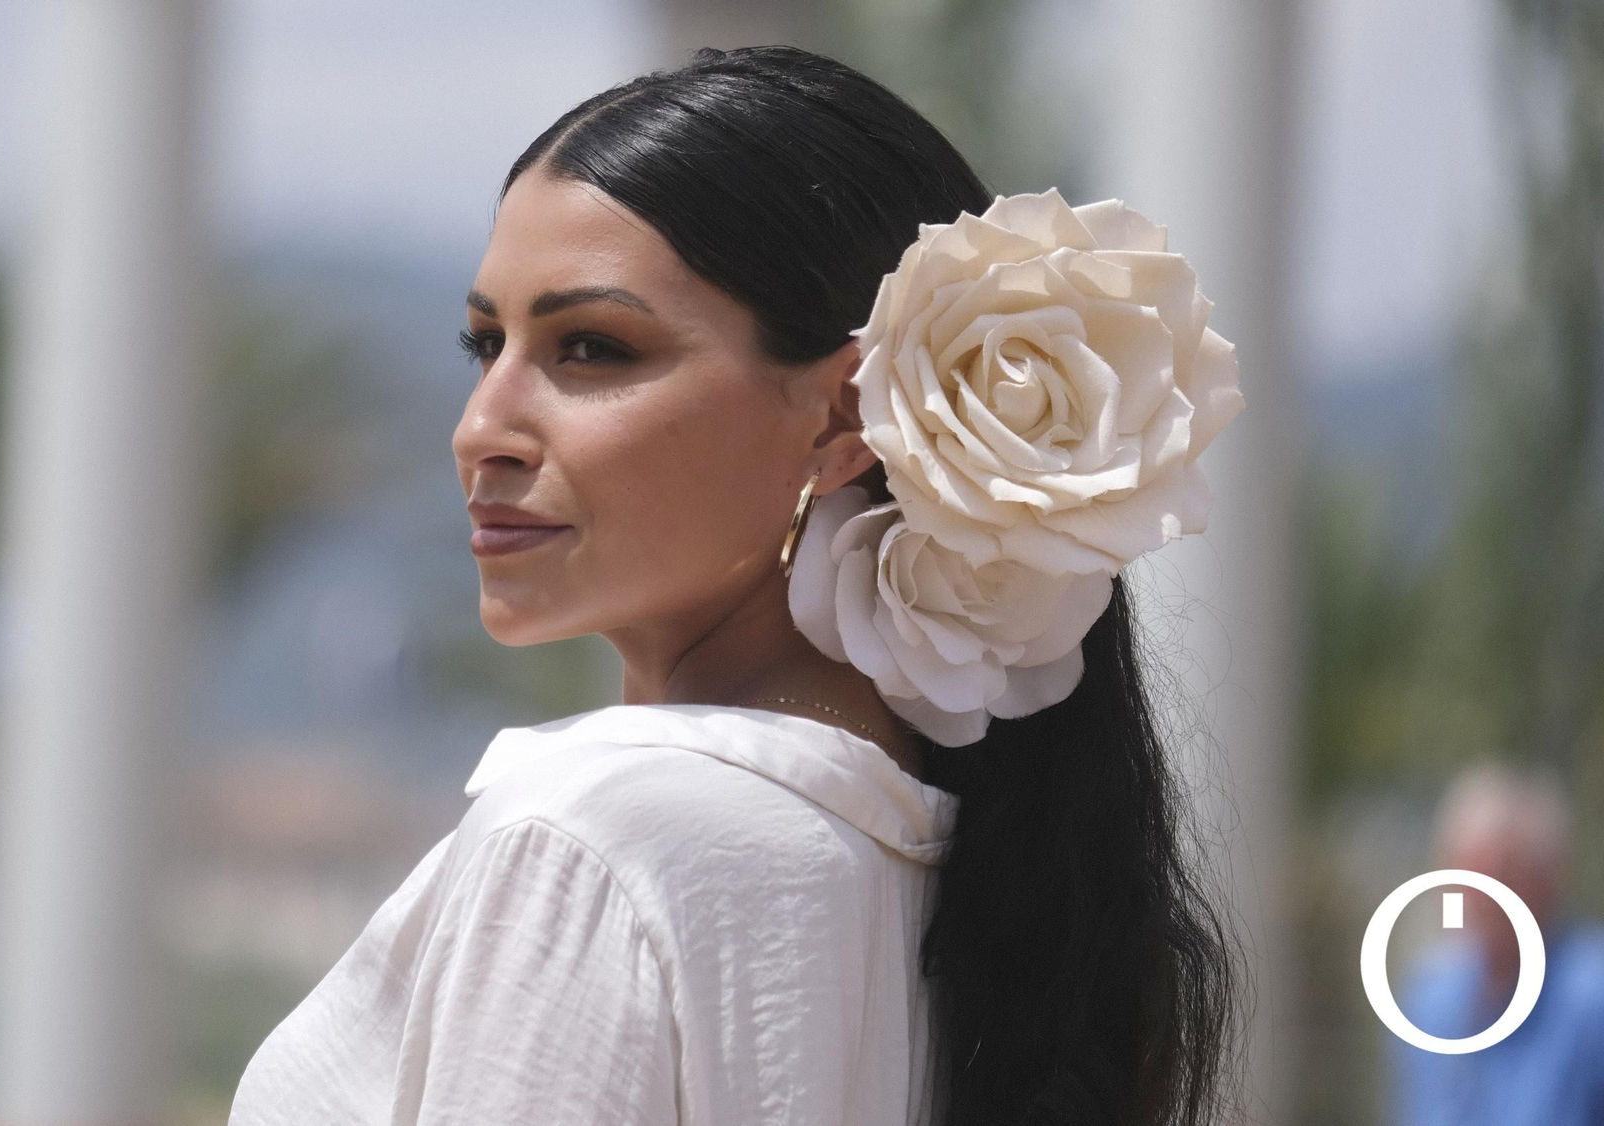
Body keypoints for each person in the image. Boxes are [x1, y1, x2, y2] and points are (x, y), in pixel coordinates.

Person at [230, 45, 1240, 1125]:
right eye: (485, 343)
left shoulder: (590, 845)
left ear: (843, 418)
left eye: (591, 348)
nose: (481, 428)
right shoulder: (970, 889)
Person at [1392, 762, 1604, 1126]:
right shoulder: (1430, 1000)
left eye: (1505, 875)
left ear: (1550, 879)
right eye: (1471, 873)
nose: (1485, 900)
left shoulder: (1591, 996)